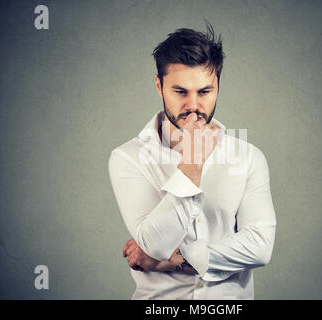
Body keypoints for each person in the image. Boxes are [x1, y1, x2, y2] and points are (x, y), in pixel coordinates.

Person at [108, 23, 276, 300]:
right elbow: (155, 245)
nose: (194, 105)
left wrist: (173, 263)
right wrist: (192, 164)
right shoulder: (128, 158)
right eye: (180, 92)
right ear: (159, 86)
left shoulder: (248, 157)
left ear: (218, 86)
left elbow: (260, 247)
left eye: (205, 92)